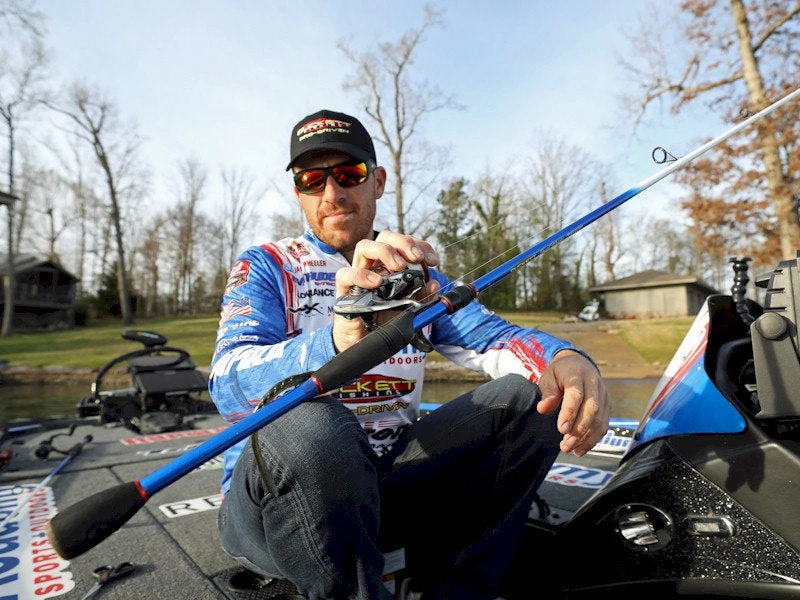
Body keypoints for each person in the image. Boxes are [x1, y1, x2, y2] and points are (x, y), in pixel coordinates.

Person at [209, 109, 611, 600]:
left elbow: (492, 338)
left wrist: (566, 358)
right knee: (308, 420)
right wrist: (338, 341)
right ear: (299, 193)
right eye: (312, 179)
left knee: (533, 397)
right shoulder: (266, 265)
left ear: (377, 181)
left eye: (348, 173)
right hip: (271, 512)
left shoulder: (412, 274)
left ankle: (460, 590)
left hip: (386, 488)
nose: (331, 193)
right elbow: (226, 383)